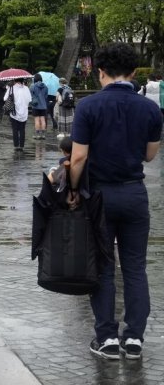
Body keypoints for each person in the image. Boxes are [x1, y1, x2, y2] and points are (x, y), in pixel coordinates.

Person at [69, 43, 161, 361]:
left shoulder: (89, 106)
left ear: (100, 71)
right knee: (135, 267)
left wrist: (71, 188)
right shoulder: (150, 108)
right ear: (134, 72)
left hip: (100, 196)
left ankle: (107, 337)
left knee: (105, 268)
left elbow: (78, 156)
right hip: (135, 193)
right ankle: (134, 338)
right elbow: (150, 155)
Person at [4, 78, 31, 151]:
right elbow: (29, 99)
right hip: (24, 113)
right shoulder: (26, 88)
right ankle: (21, 145)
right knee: (22, 129)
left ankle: (16, 145)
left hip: (14, 112)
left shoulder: (11, 88)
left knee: (15, 129)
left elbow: (5, 98)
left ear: (15, 80)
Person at [30, 74, 49, 140]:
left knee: (37, 120)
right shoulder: (45, 87)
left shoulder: (33, 86)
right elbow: (46, 97)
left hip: (36, 106)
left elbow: (31, 95)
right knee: (43, 119)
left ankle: (37, 135)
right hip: (43, 106)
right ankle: (43, 135)